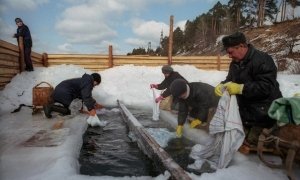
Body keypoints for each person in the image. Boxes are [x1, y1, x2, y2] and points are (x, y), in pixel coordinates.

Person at [215, 32, 282, 145]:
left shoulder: (263, 60)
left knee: (251, 140)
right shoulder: (235, 63)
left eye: (230, 52)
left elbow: (267, 87)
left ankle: (274, 128)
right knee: (231, 136)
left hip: (264, 112)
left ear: (241, 46)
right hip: (246, 111)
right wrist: (222, 85)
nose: (229, 56)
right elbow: (230, 80)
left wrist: (241, 89)